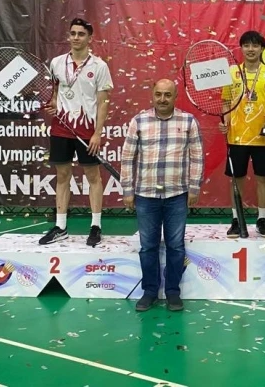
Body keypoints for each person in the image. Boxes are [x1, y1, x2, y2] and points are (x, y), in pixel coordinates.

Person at [120, 79, 204, 312]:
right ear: (152, 95)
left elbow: (197, 157)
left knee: (176, 246)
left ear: (175, 96)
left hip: (177, 195)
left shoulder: (188, 121)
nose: (162, 99)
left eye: (168, 95)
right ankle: (149, 292)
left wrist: (194, 188)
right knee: (148, 247)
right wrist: (127, 190)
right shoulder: (138, 121)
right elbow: (127, 157)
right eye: (158, 94)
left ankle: (173, 292)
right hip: (145, 195)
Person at [40, 18, 113, 247]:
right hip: (61, 128)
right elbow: (54, 93)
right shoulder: (56, 63)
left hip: (87, 130)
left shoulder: (99, 66)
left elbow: (103, 103)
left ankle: (95, 226)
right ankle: (60, 226)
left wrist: (97, 133)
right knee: (62, 176)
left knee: (93, 177)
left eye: (81, 34)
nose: (76, 37)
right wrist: (53, 103)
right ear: (68, 35)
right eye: (73, 33)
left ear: (90, 38)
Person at [220, 31, 265, 238]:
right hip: (237, 136)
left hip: (262, 137)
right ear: (241, 48)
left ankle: (262, 219)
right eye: (246, 45)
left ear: (262, 48)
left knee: (263, 178)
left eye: (255, 45)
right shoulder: (232, 72)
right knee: (236, 180)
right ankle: (236, 220)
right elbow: (226, 102)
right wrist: (225, 122)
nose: (251, 49)